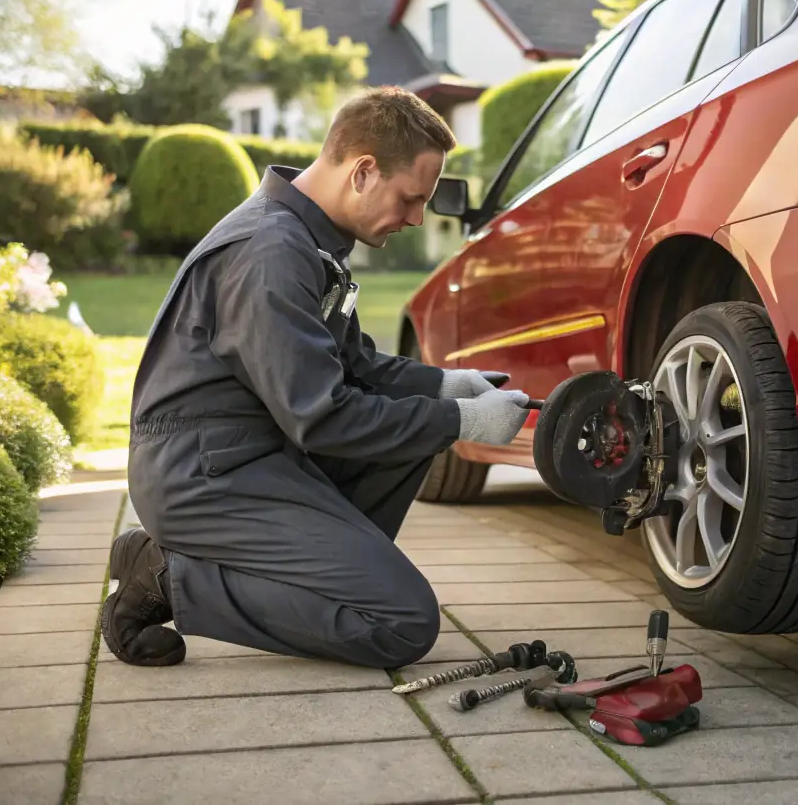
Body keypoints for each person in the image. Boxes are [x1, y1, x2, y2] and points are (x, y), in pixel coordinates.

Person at [101, 87, 532, 670]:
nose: (416, 217)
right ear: (363, 171)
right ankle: (168, 577)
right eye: (411, 198)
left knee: (409, 435)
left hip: (250, 454)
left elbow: (358, 366)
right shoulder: (270, 252)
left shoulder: (306, 240)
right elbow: (321, 414)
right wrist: (461, 421)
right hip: (203, 476)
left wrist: (446, 387)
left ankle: (323, 573)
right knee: (400, 623)